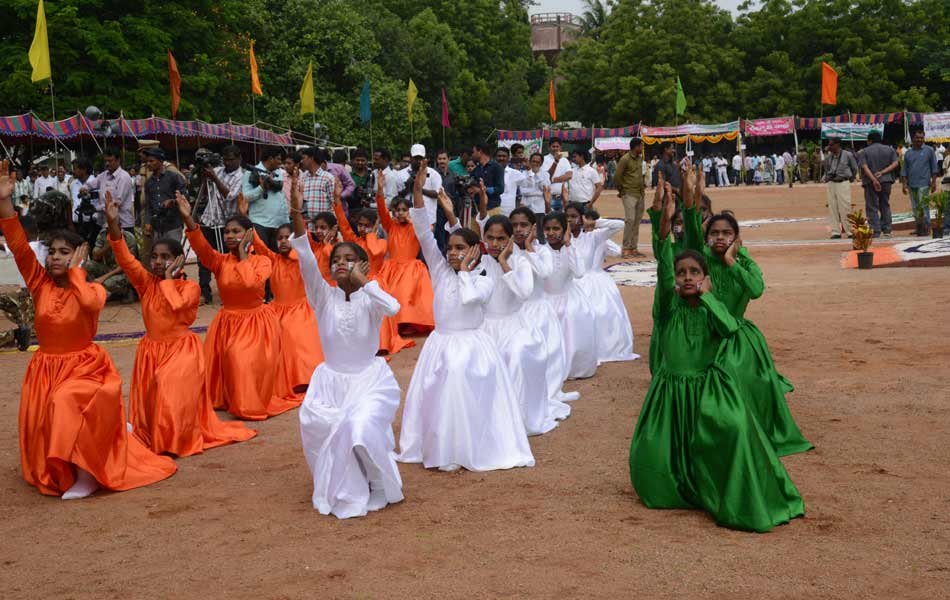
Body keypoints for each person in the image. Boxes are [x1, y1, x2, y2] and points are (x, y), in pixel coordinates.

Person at [629, 186, 804, 532]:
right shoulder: (667, 307)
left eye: (695, 273)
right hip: (671, 391)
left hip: (710, 387)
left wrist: (710, 298)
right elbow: (664, 267)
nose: (688, 278)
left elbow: (730, 329)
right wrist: (661, 227)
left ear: (705, 277)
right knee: (650, 454)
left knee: (736, 431)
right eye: (683, 274)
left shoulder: (714, 305)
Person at [0, 160, 177, 499]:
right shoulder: (40, 284)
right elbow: (19, 246)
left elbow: (91, 305)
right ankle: (70, 462)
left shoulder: (91, 288)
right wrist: (5, 203)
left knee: (67, 401)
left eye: (64, 252)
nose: (55, 258)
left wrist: (78, 273)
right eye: (51, 252)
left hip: (86, 370)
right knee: (50, 411)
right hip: (46, 368)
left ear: (77, 256)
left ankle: (88, 473)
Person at [398, 166, 534, 472]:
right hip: (440, 344)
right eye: (450, 248)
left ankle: (470, 447)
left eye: (461, 248)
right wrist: (418, 194)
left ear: (474, 250)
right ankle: (441, 447)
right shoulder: (439, 270)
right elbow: (422, 233)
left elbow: (471, 297)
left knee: (460, 386)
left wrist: (464, 270)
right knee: (437, 395)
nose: (453, 253)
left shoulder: (482, 278)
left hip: (472, 347)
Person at [102, 191, 256, 456]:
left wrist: (170, 279)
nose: (159, 262)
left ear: (178, 260)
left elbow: (176, 305)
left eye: (165, 258)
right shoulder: (145, 284)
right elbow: (125, 258)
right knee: (156, 396)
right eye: (155, 257)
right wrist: (114, 224)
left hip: (182, 351)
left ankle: (175, 441)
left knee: (168, 386)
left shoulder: (191, 287)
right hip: (151, 351)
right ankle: (160, 435)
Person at [287, 181, 404, 519]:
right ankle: (348, 484)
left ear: (364, 265)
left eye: (350, 259)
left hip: (369, 380)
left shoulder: (371, 295)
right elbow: (307, 258)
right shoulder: (323, 297)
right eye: (337, 259)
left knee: (362, 426)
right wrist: (297, 213)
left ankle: (380, 484)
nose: (340, 263)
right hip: (331, 383)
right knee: (321, 426)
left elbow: (394, 308)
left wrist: (365, 282)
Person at [681, 166, 812, 457]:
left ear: (737, 237)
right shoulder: (700, 259)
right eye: (714, 232)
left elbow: (756, 290)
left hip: (737, 335)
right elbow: (689, 228)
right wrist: (693, 192)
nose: (719, 237)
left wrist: (730, 260)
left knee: (749, 383)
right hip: (706, 332)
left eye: (727, 233)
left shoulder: (743, 261)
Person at [177, 192, 300, 420]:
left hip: (255, 323)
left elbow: (250, 282)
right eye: (227, 232)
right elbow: (202, 247)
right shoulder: (219, 261)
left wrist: (243, 254)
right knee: (228, 361)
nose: (230, 236)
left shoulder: (262, 261)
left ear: (248, 235)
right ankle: (231, 398)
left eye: (236, 232)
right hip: (226, 323)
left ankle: (249, 404)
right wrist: (188, 220)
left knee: (239, 358)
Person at [239, 193, 325, 395]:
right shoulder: (273, 259)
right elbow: (258, 243)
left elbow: (304, 239)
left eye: (288, 237)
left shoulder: (303, 259)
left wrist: (296, 210)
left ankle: (307, 377)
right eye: (280, 239)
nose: (284, 241)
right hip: (277, 310)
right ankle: (281, 380)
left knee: (298, 340)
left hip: (301, 311)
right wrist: (245, 219)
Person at [333, 173, 413, 357]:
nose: (362, 228)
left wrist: (372, 233)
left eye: (366, 225)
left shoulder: (381, 242)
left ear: (375, 226)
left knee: (377, 318)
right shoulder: (354, 240)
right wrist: (337, 200)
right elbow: (344, 226)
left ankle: (381, 342)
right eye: (360, 225)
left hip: (374, 283)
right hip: (355, 284)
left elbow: (375, 251)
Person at [508, 207, 576, 413]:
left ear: (533, 227)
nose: (519, 229)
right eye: (514, 225)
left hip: (538, 311)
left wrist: (529, 248)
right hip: (514, 314)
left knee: (548, 354)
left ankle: (544, 393)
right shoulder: (505, 250)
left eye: (524, 225)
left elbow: (545, 272)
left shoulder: (542, 250)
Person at [540, 211, 597, 380]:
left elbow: (579, 273)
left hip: (570, 298)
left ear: (565, 230)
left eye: (556, 228)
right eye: (547, 229)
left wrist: (568, 244)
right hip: (546, 300)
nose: (551, 233)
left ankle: (572, 368)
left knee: (572, 321)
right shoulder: (540, 250)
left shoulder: (573, 248)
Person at [578, 208, 637, 364]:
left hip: (597, 281)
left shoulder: (599, 237)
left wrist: (597, 225)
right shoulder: (573, 238)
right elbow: (618, 252)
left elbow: (618, 244)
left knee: (602, 313)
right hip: (579, 281)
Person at [376, 184, 434, 335]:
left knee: (405, 294)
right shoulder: (391, 226)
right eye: (398, 210)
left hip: (410, 267)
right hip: (392, 267)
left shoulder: (415, 226)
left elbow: (427, 229)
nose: (401, 213)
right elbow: (382, 211)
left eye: (404, 210)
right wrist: (380, 191)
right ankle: (392, 324)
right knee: (391, 294)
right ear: (394, 212)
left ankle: (406, 323)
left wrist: (412, 221)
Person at [0, 214, 43, 350]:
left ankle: (17, 333)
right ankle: (25, 327)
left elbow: (3, 247)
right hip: (32, 296)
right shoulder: (44, 246)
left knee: (29, 324)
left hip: (32, 297)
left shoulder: (25, 247)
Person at [858, 131, 900, 238]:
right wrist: (883, 172)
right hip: (886, 180)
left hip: (870, 182)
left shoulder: (864, 151)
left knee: (872, 206)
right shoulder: (890, 149)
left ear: (869, 141)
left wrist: (874, 179)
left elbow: (864, 167)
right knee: (885, 204)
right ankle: (887, 230)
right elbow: (895, 163)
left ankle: (875, 230)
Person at [142, 148, 187, 243]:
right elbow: (148, 205)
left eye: (151, 161)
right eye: (147, 161)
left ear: (160, 161)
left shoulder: (174, 177)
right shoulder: (148, 183)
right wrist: (147, 222)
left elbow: (184, 197)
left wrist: (173, 201)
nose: (148, 164)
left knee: (173, 254)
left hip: (173, 225)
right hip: (157, 227)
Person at [901, 131, 940, 236]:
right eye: (917, 138)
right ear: (913, 139)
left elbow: (934, 168)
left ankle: (926, 227)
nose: (919, 140)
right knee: (914, 207)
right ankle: (919, 227)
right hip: (911, 184)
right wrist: (904, 184)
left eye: (921, 138)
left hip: (924, 183)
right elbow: (904, 170)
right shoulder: (908, 153)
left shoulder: (929, 150)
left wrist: (934, 182)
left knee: (923, 206)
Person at [84, 222, 138, 300]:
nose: (109, 231)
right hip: (109, 268)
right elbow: (95, 257)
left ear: (119, 227)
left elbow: (125, 265)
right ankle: (95, 288)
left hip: (125, 272)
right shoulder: (103, 235)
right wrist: (109, 244)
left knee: (107, 283)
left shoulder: (129, 238)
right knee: (87, 265)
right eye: (107, 229)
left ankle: (126, 290)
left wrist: (103, 277)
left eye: (111, 228)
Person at [614, 138, 647, 258]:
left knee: (637, 221)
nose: (642, 148)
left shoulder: (639, 159)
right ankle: (626, 248)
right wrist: (622, 191)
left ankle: (634, 248)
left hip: (640, 193)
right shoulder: (625, 159)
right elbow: (617, 177)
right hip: (629, 193)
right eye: (641, 146)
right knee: (630, 220)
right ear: (636, 147)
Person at [821, 138, 858, 239]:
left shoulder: (847, 155)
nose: (829, 147)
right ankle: (836, 231)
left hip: (843, 182)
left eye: (831, 144)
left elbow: (854, 168)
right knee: (832, 208)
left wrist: (851, 178)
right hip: (831, 183)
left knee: (845, 207)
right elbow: (827, 170)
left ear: (838, 145)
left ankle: (850, 231)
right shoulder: (829, 157)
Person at [397, 144, 442, 225]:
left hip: (428, 219)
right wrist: (408, 188)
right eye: (415, 158)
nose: (418, 161)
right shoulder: (401, 174)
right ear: (410, 158)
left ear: (425, 159)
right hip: (406, 219)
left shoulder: (433, 174)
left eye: (420, 158)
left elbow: (438, 194)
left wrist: (418, 189)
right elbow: (397, 196)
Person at [517, 152, 552, 242]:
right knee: (526, 230)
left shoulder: (545, 174)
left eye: (537, 162)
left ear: (541, 163)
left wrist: (536, 174)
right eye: (533, 161)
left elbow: (545, 188)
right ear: (530, 161)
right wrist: (530, 173)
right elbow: (523, 189)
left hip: (539, 205)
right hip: (525, 203)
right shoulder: (523, 173)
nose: (535, 164)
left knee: (540, 231)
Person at [434, 149, 460, 253]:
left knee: (451, 236)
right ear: (437, 160)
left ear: (448, 160)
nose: (442, 161)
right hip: (437, 210)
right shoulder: (432, 175)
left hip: (451, 211)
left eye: (444, 158)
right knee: (439, 237)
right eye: (440, 159)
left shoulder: (454, 176)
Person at [470, 143, 505, 216]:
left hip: (492, 208)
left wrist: (483, 190)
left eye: (474, 152)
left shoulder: (497, 167)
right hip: (476, 210)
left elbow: (500, 189)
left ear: (480, 152)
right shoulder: (476, 169)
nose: (472, 154)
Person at [542, 139, 572, 210]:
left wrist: (552, 179)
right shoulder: (544, 159)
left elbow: (569, 175)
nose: (555, 148)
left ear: (560, 148)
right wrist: (556, 161)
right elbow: (547, 176)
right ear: (549, 148)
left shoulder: (564, 160)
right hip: (549, 197)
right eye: (553, 146)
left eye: (557, 146)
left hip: (563, 198)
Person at [495, 147, 525, 216]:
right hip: (493, 210)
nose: (501, 158)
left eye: (504, 156)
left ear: (508, 158)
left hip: (508, 212)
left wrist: (529, 170)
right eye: (499, 156)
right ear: (495, 158)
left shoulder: (515, 173)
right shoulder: (489, 172)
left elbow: (529, 184)